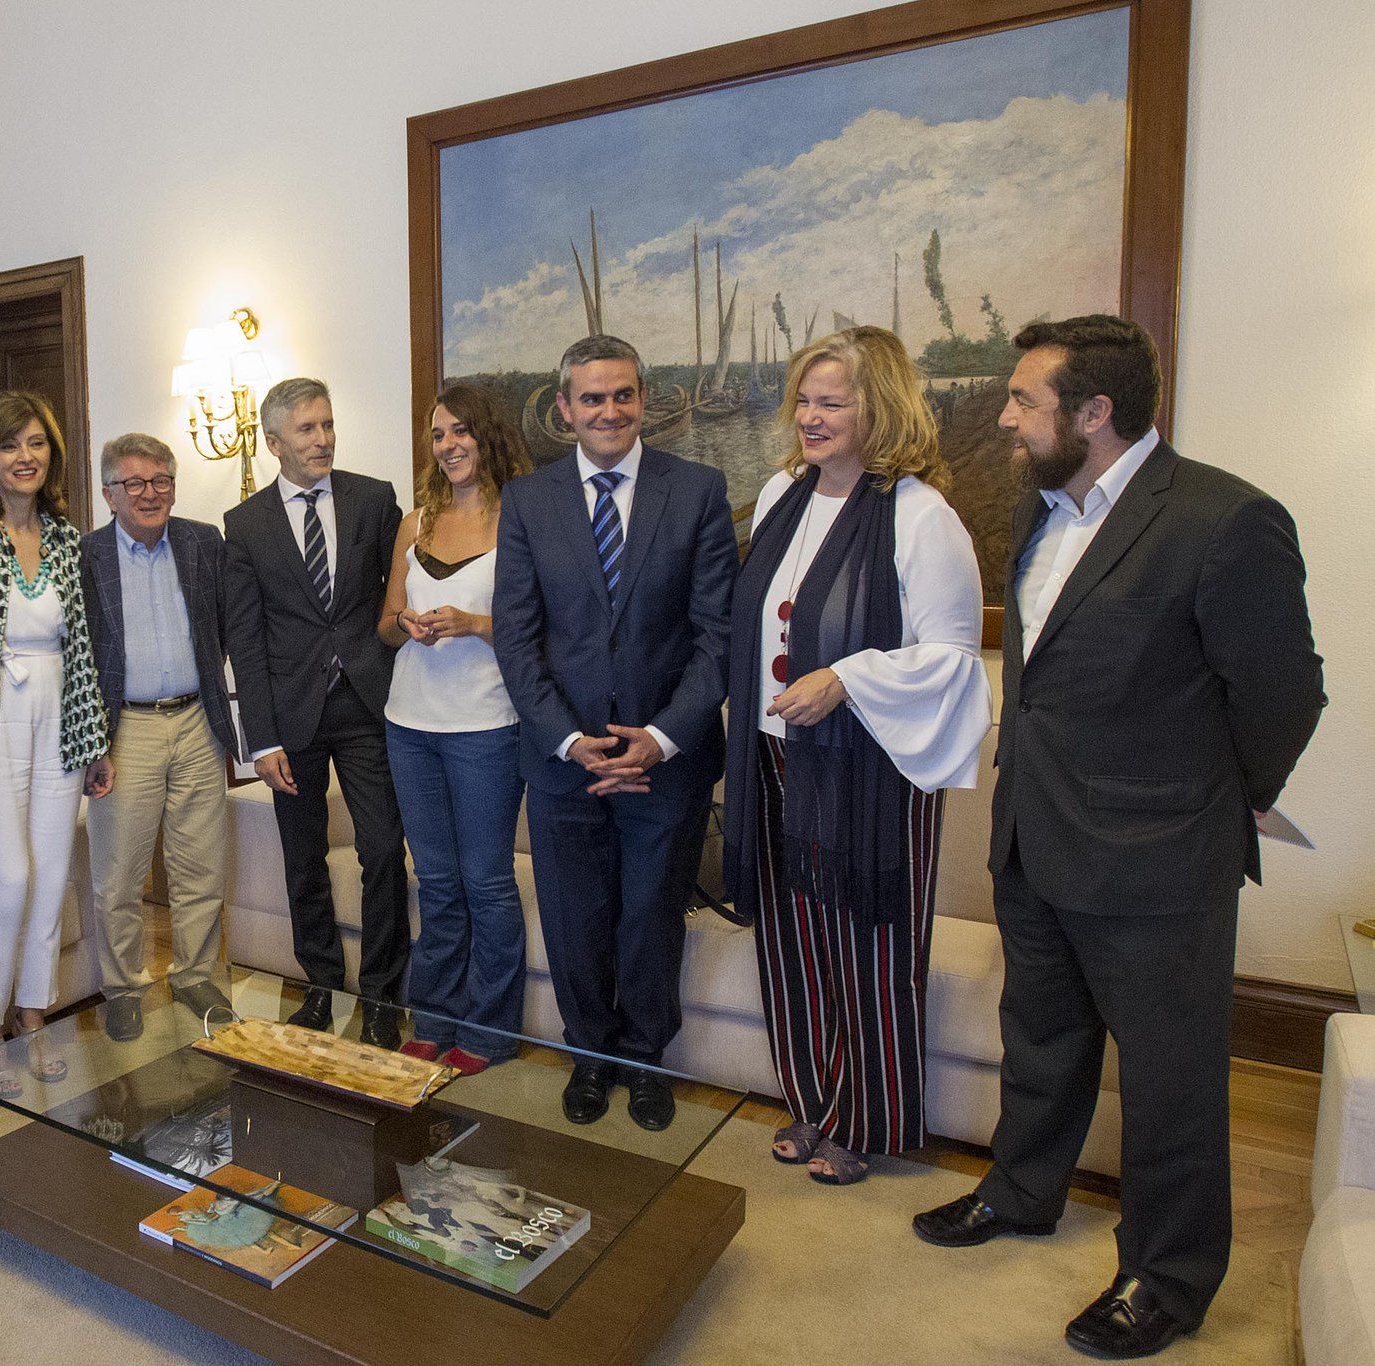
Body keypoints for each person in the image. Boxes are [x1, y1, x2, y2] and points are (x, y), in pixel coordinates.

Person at [912, 316, 1324, 1358]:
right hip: (1034, 835)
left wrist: (1213, 804)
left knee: (1167, 1077)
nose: (1001, 415)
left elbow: (1282, 694)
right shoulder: (1038, 508)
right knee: (1039, 1040)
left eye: (1021, 399)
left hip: (1155, 857)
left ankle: (1167, 1276)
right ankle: (1018, 1192)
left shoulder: (1222, 520)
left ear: (1092, 412)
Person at [721, 326, 991, 1186]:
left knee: (866, 944)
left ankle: (865, 1118)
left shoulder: (921, 516)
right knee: (793, 938)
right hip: (775, 756)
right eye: (803, 399)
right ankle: (810, 1098)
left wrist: (844, 677)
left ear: (881, 410)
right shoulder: (778, 497)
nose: (809, 416)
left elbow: (954, 658)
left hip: (871, 770)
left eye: (831, 402)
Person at [492, 334, 736, 1132]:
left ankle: (644, 1061)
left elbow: (716, 638)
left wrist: (660, 738)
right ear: (564, 409)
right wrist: (571, 741)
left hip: (667, 763)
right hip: (563, 764)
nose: (608, 410)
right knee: (573, 918)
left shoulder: (697, 490)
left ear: (644, 399)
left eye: (622, 394)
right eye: (591, 398)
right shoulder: (528, 501)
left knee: (649, 917)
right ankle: (590, 1056)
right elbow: (517, 639)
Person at [223, 377, 410, 1045]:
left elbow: (397, 593)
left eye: (327, 424)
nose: (323, 438)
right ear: (274, 442)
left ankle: (385, 997)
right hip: (290, 716)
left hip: (367, 704)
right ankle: (323, 988)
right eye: (307, 429)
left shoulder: (373, 499)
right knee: (303, 861)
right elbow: (244, 639)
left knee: (384, 849)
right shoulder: (243, 526)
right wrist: (260, 738)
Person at [0, 391, 110, 1095]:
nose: (25, 457)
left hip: (60, 714)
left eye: (37, 443)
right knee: (3, 876)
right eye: (11, 446)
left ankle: (32, 1015)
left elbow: (87, 647)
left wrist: (96, 737)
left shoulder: (69, 537)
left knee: (48, 877)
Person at [378, 384, 530, 1075]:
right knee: (435, 882)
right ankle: (432, 1020)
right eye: (438, 435)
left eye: (461, 431)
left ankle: (490, 1032)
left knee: (486, 883)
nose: (449, 446)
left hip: (487, 729)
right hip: (409, 725)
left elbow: (542, 631)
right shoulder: (415, 523)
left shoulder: (521, 520)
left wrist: (474, 625)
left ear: (487, 435)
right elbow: (383, 624)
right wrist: (405, 624)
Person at [81, 432, 239, 1040]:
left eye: (161, 482)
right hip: (126, 728)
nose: (150, 494)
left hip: (197, 718)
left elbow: (225, 627)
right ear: (108, 494)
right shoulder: (86, 555)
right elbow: (80, 653)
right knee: (119, 873)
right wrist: (92, 739)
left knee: (201, 865)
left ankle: (195, 975)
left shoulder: (203, 542)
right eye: (134, 484)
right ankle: (122, 987)